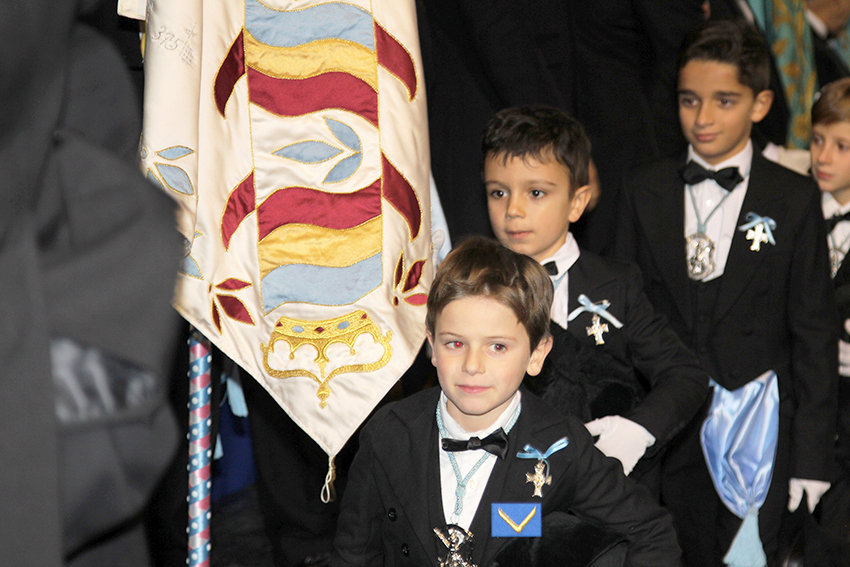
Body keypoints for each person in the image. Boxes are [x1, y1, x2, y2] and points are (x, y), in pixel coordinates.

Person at [616, 19, 838, 567]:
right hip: (663, 433)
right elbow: (619, 321)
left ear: (761, 105)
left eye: (724, 101)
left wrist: (811, 458)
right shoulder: (643, 187)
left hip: (758, 435)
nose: (703, 118)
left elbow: (814, 336)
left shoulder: (794, 198)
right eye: (689, 100)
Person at [331, 236, 681, 567]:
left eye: (497, 347)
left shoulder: (561, 445)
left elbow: (652, 532)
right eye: (455, 343)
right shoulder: (388, 433)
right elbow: (353, 555)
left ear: (536, 354)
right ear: (432, 344)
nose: (472, 365)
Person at [482, 106, 710, 495]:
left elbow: (685, 374)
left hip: (602, 490)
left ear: (577, 202)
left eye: (536, 192)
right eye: (498, 192)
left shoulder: (616, 285)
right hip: (509, 488)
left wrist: (636, 431)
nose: (513, 210)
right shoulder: (472, 285)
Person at [808, 78, 850, 546]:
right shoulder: (792, 210)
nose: (823, 156)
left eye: (842, 146)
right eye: (817, 141)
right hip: (806, 395)